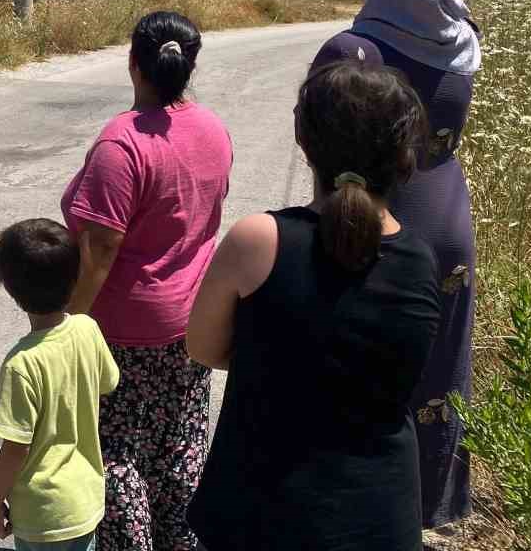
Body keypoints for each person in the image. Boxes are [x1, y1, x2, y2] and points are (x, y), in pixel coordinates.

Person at [184, 60, 441, 551]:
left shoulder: (258, 241)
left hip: (262, 510)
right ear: (403, 158)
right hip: (380, 514)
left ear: (304, 142)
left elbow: (202, 347)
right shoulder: (420, 260)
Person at [309, 0, 480, 529]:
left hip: (378, 218)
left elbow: (322, 144)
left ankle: (365, 511)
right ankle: (427, 507)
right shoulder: (460, 40)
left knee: (365, 364)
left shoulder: (352, 49)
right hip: (450, 215)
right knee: (437, 365)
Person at [61, 11, 234, 551]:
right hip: (193, 324)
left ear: (134, 64)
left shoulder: (122, 145)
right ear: (189, 67)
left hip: (125, 331)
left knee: (117, 453)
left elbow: (101, 248)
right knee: (179, 447)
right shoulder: (212, 129)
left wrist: (70, 321)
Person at [0, 219, 121, 551]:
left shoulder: (22, 363)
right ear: (75, 279)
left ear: (11, 289)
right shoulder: (87, 328)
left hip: (42, 514)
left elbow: (16, 446)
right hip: (85, 500)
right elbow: (110, 381)